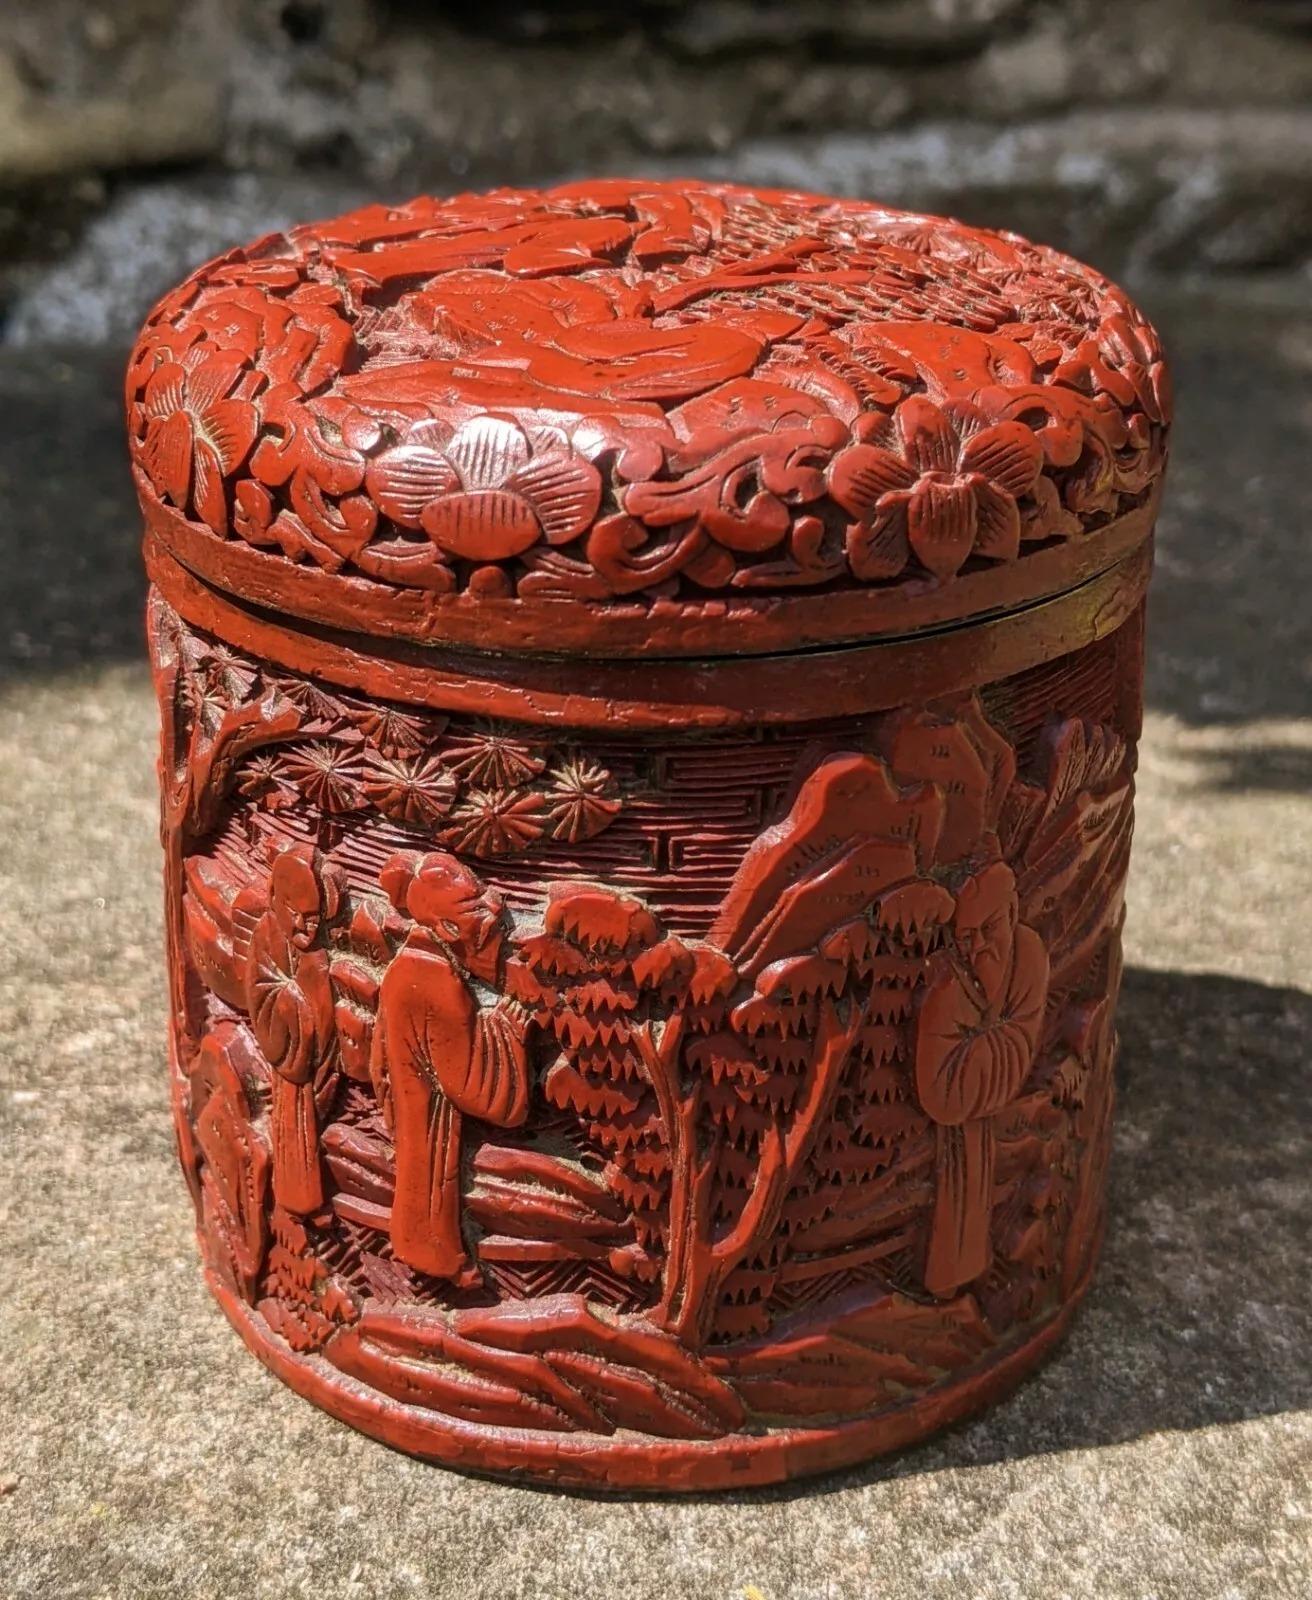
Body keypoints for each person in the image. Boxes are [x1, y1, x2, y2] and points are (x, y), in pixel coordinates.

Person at [372, 851, 531, 1281]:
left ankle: (424, 1250)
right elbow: (470, 1086)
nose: (490, 920)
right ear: (446, 928)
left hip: (411, 1094)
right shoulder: (436, 979)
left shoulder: (408, 965)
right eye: (474, 911)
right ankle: (436, 1259)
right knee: (428, 1179)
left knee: (417, 1173)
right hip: (430, 1109)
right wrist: (508, 1029)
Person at [915, 861, 1049, 1299]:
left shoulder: (1027, 953)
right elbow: (937, 1080)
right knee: (958, 1194)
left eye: (987, 930)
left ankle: (969, 1280)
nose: (977, 948)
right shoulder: (948, 981)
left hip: (992, 1099)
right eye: (966, 937)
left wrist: (990, 1044)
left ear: (1011, 913)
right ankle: (949, 1283)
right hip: (955, 1103)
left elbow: (1023, 1028)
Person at [244, 844, 341, 1215]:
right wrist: (298, 1003)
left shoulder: (316, 954)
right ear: (275, 901)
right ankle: (296, 1199)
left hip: (317, 1061)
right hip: (290, 1066)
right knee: (293, 1132)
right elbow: (264, 994)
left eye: (313, 918)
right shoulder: (266, 938)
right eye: (294, 914)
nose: (304, 926)